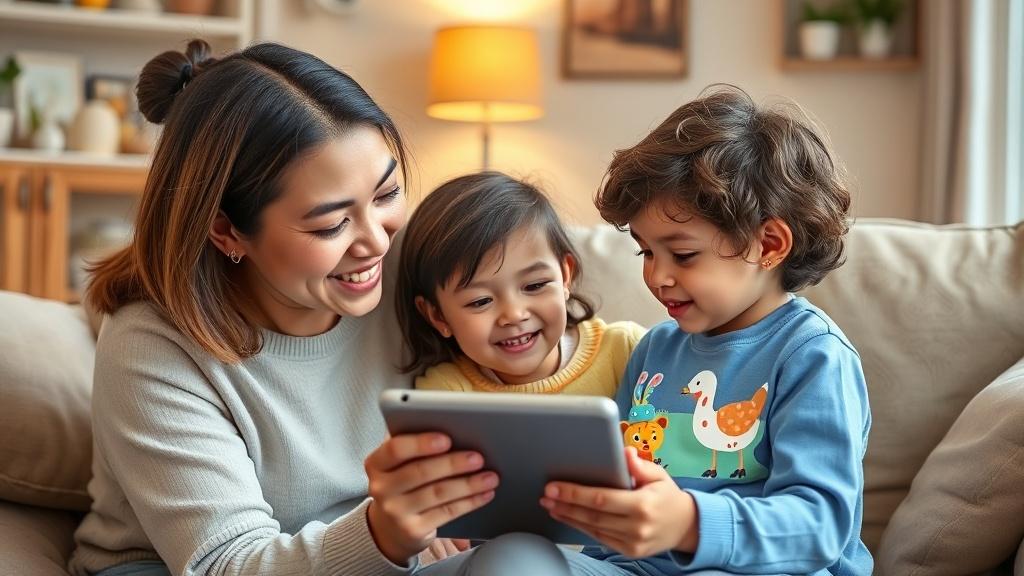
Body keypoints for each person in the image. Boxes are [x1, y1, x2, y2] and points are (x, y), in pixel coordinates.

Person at [69, 39, 500, 576]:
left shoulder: (419, 263)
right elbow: (224, 563)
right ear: (226, 229)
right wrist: (386, 533)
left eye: (386, 194)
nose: (376, 242)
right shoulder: (151, 344)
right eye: (330, 224)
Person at [534, 85, 873, 575]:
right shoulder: (655, 350)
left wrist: (690, 523)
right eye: (646, 252)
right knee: (513, 558)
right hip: (638, 568)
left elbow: (819, 525)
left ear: (769, 244)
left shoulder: (813, 355)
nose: (657, 277)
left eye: (684, 254)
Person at [397, 171, 646, 397]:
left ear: (565, 275)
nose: (514, 315)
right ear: (438, 316)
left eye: (535, 286)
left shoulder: (629, 350)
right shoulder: (446, 394)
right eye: (481, 301)